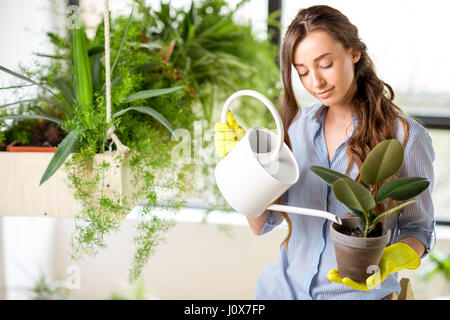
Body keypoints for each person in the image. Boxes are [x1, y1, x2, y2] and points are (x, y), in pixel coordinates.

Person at [214, 5, 435, 300]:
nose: (315, 82)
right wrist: (241, 166)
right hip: (281, 290)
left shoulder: (405, 138)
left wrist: (390, 259)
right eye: (302, 71)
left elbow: (419, 229)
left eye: (325, 64)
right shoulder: (298, 127)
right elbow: (263, 223)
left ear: (354, 52)